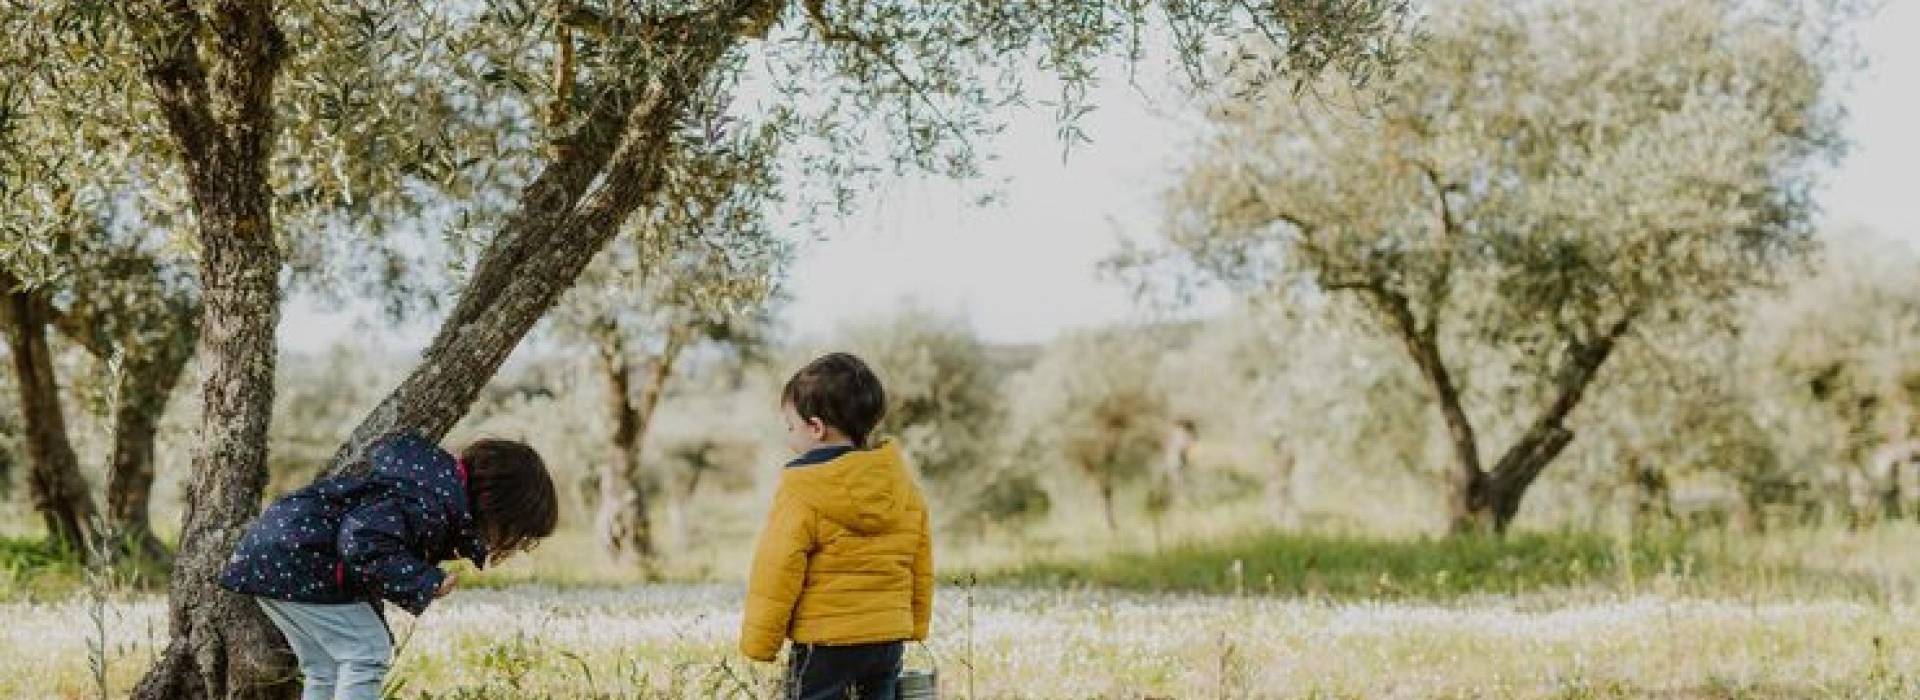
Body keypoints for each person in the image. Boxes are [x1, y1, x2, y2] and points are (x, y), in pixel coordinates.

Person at [220, 432, 559, 700]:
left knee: (323, 666)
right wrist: (423, 580)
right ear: (495, 508)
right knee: (368, 650)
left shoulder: (428, 487)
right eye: (511, 536)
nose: (505, 547)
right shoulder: (430, 505)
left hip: (272, 553)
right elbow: (361, 539)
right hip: (300, 559)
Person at [741, 352, 934, 700]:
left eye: (790, 427)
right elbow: (919, 564)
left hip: (825, 641)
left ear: (815, 428)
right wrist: (916, 625)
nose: (789, 438)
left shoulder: (802, 491)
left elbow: (777, 568)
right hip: (886, 638)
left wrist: (760, 642)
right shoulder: (903, 486)